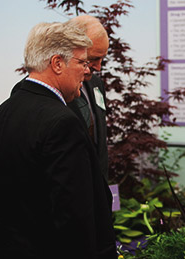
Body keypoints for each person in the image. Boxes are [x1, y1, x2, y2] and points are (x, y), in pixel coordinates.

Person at [0, 21, 124, 259]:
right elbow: (72, 207)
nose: (88, 72)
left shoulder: (3, 113)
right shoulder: (61, 122)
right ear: (57, 63)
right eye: (83, 62)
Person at [68, 15, 110, 181]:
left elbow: (100, 144)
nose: (99, 67)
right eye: (94, 59)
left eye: (102, 59)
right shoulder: (55, 90)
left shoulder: (96, 84)